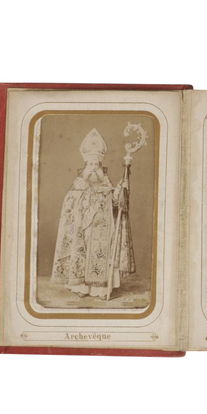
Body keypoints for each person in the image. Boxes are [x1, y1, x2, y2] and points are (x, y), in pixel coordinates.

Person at [50, 127, 134, 298]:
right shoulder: (78, 184)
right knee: (81, 253)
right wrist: (86, 201)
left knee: (101, 255)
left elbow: (115, 201)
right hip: (83, 227)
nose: (94, 168)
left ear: (100, 166)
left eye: (96, 164)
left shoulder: (105, 182)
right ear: (85, 166)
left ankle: (100, 289)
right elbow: (70, 204)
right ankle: (81, 287)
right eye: (90, 165)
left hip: (103, 227)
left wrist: (121, 188)